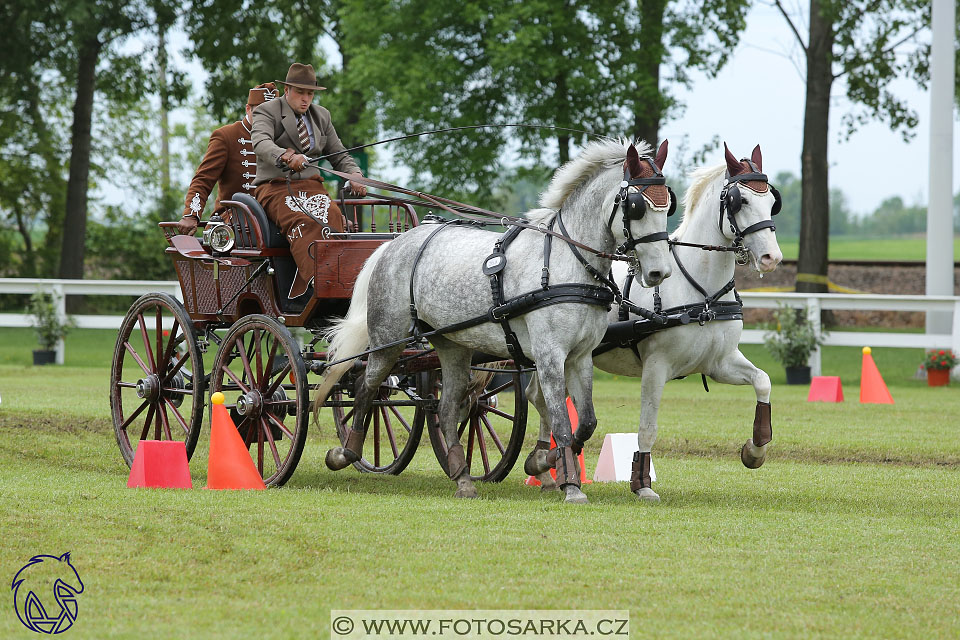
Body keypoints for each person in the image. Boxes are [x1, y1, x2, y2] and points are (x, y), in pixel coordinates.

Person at [251, 62, 367, 299]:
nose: (306, 99)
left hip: (313, 187)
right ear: (286, 91)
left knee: (336, 220)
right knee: (307, 221)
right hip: (276, 187)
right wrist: (285, 155)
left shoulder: (321, 115)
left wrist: (354, 174)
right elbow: (261, 143)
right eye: (300, 92)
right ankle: (317, 284)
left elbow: (339, 154)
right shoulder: (266, 111)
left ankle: (343, 282)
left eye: (310, 93)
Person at [177, 83, 279, 235]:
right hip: (232, 219)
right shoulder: (226, 136)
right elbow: (203, 179)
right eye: (260, 112)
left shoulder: (284, 139)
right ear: (248, 109)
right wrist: (191, 214)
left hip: (274, 219)